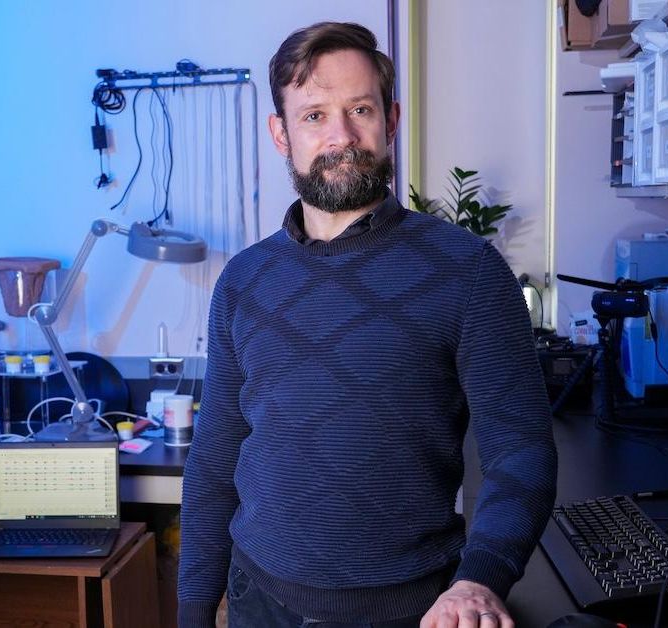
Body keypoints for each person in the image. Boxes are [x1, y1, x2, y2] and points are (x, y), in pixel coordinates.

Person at [178, 22, 557, 628]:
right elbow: (215, 461)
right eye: (314, 116)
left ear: (392, 119)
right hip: (259, 604)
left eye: (359, 109)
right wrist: (194, 613)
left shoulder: (467, 271)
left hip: (416, 610)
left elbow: (523, 453)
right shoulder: (244, 282)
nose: (341, 136)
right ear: (281, 133)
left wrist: (479, 579)